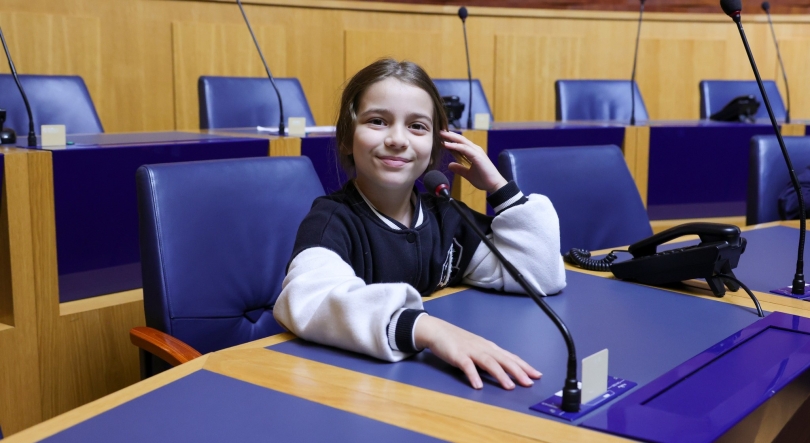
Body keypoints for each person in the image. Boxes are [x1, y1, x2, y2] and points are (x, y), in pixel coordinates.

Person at [273, 59, 566, 390]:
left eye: (417, 126)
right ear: (346, 138)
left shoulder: (446, 216)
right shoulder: (330, 220)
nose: (398, 139)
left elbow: (539, 275)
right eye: (378, 121)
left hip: (436, 387)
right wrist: (429, 329)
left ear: (436, 145)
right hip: (352, 390)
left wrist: (500, 188)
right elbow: (310, 300)